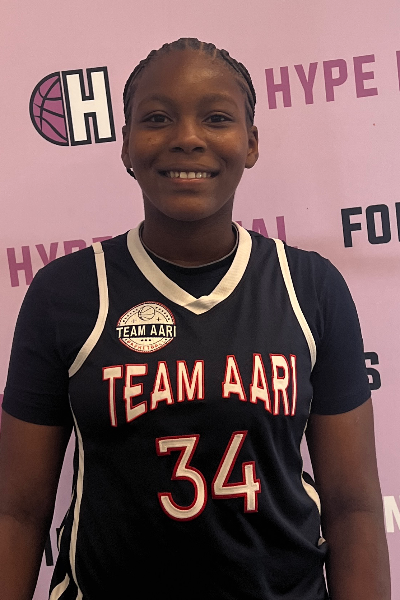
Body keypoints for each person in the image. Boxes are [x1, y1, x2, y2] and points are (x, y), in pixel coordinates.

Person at [0, 38, 390, 600]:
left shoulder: (310, 287)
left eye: (216, 118)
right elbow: (17, 510)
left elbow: (353, 506)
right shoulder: (66, 292)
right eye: (157, 118)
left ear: (251, 143)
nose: (187, 137)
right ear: (126, 145)